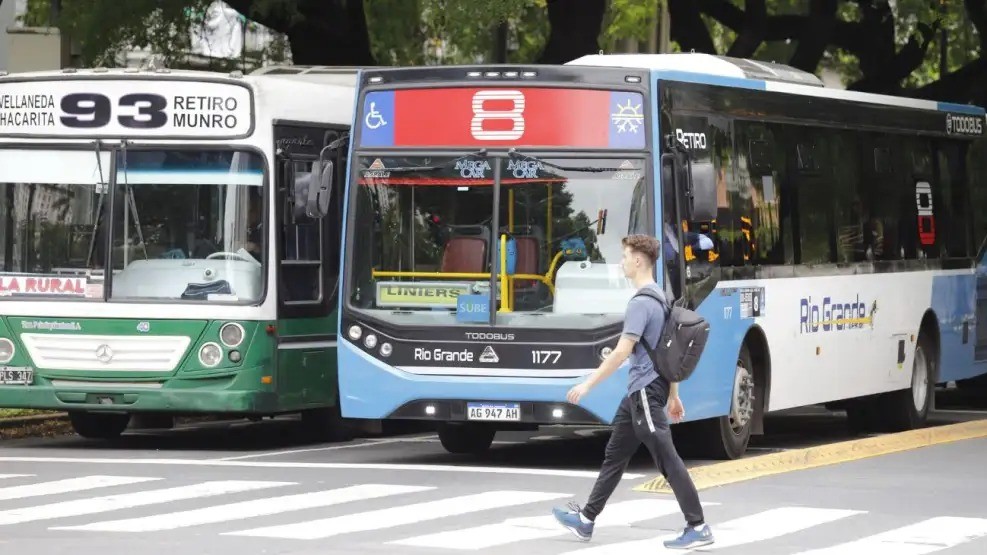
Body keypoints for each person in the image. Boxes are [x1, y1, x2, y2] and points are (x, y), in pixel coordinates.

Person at [551, 233, 714, 550]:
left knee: (667, 459)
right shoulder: (660, 296)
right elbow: (667, 351)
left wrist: (587, 384)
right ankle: (586, 519)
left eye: (625, 256)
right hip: (640, 393)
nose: (622, 262)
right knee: (615, 455)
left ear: (638, 260)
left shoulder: (641, 303)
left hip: (645, 393)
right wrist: (674, 395)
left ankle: (698, 526)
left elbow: (621, 352)